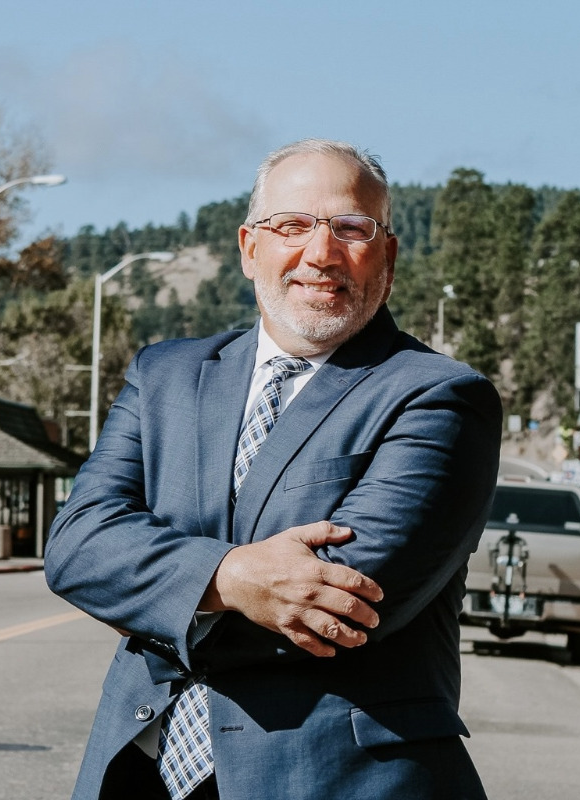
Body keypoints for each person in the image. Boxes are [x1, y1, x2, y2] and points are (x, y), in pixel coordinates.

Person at [45, 138, 503, 800]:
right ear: (248, 247)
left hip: (337, 783)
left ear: (389, 256)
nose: (320, 253)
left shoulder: (439, 397)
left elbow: (344, 602)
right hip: (138, 773)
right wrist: (229, 578)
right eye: (291, 225)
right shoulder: (164, 375)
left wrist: (147, 597)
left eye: (351, 228)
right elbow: (77, 545)